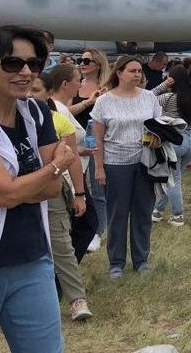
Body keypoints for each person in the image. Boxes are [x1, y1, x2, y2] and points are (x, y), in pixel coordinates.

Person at [0, 25, 72, 352]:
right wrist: (55, 166)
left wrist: (36, 181)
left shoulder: (36, 112)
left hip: (32, 257)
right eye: (13, 64)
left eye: (34, 64)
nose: (25, 72)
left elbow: (51, 190)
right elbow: (4, 193)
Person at [90, 55, 164, 279]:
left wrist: (158, 138)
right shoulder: (104, 101)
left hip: (144, 163)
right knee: (117, 214)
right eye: (132, 71)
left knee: (143, 212)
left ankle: (141, 259)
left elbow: (159, 126)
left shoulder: (150, 97)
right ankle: (116, 263)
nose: (137, 74)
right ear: (119, 73)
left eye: (139, 71)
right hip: (115, 164)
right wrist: (99, 168)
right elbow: (98, 139)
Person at [34, 67, 93, 322]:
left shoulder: (58, 120)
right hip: (16, 191)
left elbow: (73, 161)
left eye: (35, 90)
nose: (28, 94)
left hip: (52, 190)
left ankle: (77, 299)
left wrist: (80, 193)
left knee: (61, 245)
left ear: (48, 93)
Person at [151, 65, 191, 227]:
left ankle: (177, 215)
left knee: (172, 180)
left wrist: (162, 86)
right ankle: (157, 211)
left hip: (174, 140)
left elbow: (147, 97)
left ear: (171, 79)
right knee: (174, 179)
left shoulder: (167, 97)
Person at [70, 48, 109, 250]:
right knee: (76, 187)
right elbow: (65, 111)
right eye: (81, 60)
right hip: (73, 141)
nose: (82, 63)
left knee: (97, 189)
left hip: (95, 141)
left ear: (98, 64)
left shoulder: (106, 88)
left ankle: (97, 231)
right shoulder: (76, 86)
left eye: (87, 60)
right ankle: (78, 226)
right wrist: (87, 102)